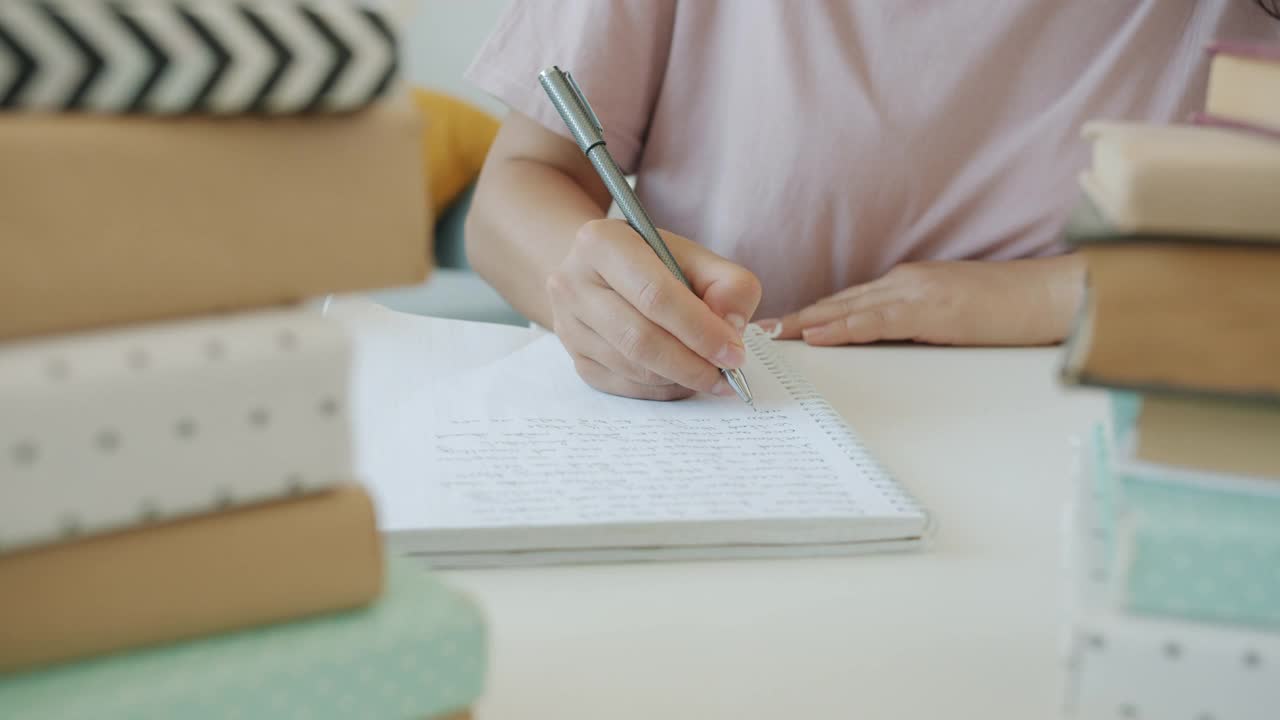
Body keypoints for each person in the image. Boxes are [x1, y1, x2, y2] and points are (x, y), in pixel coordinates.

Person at [463, 1, 1280, 401]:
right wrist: (604, 308)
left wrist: (1067, 294)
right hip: (736, 433)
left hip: (1114, 459)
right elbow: (518, 189)